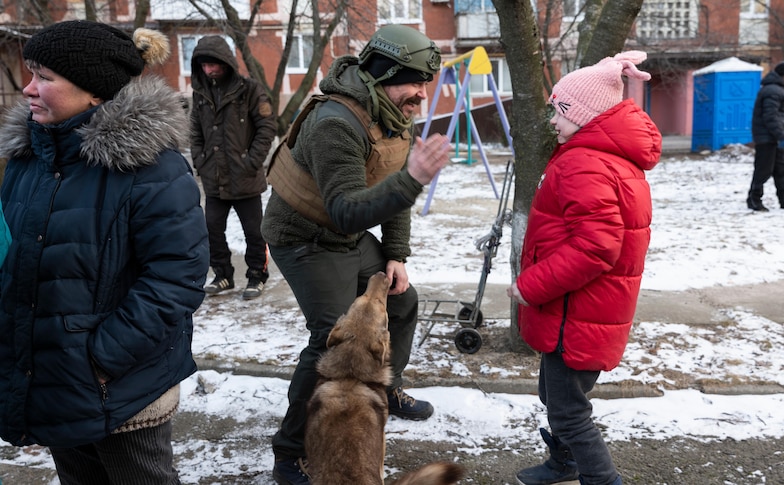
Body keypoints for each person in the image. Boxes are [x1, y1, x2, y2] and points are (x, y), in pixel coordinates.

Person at [0, 20, 209, 484]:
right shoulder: (28, 158)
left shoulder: (150, 166)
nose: (29, 89)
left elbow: (177, 277)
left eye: (45, 78)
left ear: (95, 91)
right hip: (52, 375)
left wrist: (101, 359)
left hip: (120, 383)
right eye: (30, 73)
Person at [261, 24, 451, 485]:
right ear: (384, 73)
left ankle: (382, 387)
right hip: (304, 236)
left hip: (343, 233)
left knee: (402, 300)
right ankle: (290, 451)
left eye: (425, 84)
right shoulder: (335, 123)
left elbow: (391, 183)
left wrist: (396, 254)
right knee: (332, 337)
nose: (422, 95)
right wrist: (415, 180)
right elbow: (348, 210)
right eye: (414, 82)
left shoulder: (389, 112)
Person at [507, 51, 661, 485]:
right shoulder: (601, 154)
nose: (553, 120)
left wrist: (529, 286)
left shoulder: (585, 161)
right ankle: (564, 463)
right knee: (555, 394)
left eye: (560, 110)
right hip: (582, 310)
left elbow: (596, 248)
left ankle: (599, 478)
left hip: (576, 313)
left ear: (585, 113)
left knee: (569, 411)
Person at [190, 35, 277, 299]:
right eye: (203, 65)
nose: (209, 70)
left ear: (226, 62)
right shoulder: (200, 93)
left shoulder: (250, 90)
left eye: (213, 65)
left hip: (245, 177)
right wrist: (200, 159)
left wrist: (251, 161)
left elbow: (267, 127)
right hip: (213, 177)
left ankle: (256, 276)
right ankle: (222, 275)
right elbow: (195, 131)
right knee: (212, 228)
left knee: (254, 231)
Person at [747, 60, 784, 211]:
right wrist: (780, 136)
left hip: (772, 137)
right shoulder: (773, 90)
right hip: (767, 138)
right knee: (763, 169)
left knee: (781, 168)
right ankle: (754, 199)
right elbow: (770, 116)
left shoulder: (775, 89)